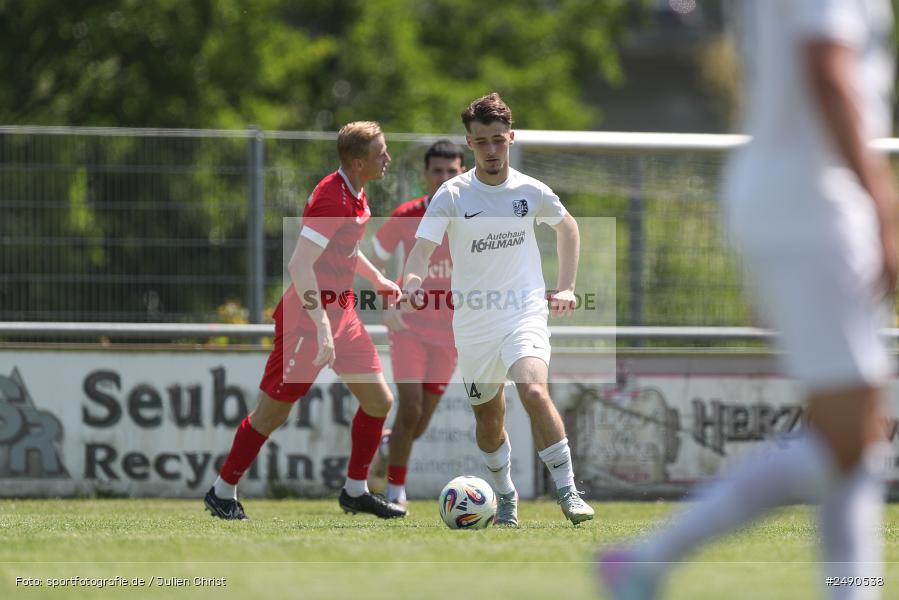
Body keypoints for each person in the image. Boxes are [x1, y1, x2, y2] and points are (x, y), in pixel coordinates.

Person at [598, 1, 896, 598]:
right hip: (813, 209)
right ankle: (651, 559)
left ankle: (850, 590)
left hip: (800, 206)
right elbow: (827, 72)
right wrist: (885, 206)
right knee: (854, 437)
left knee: (853, 434)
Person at [400, 93, 595, 527]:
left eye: (498, 141)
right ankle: (505, 494)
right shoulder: (452, 194)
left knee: (533, 391)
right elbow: (422, 248)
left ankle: (569, 491)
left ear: (511, 138)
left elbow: (568, 227)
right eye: (481, 142)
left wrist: (567, 286)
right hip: (473, 325)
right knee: (490, 421)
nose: (491, 150)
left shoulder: (531, 190)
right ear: (470, 144)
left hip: (523, 311)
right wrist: (411, 283)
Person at [204, 121, 407, 520]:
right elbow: (299, 266)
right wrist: (320, 326)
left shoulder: (357, 191)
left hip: (340, 311)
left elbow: (345, 248)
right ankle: (222, 491)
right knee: (273, 413)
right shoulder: (331, 198)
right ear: (356, 161)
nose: (387, 158)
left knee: (379, 400)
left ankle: (355, 491)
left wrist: (377, 278)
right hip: (307, 320)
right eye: (380, 152)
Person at [367, 140, 465, 506]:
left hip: (451, 338)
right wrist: (386, 304)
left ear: (462, 174)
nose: (443, 178)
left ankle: (389, 444)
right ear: (425, 175)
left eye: (451, 172)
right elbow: (371, 260)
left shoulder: (473, 219)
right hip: (408, 330)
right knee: (409, 407)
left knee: (418, 425)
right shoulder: (407, 215)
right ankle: (395, 493)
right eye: (437, 171)